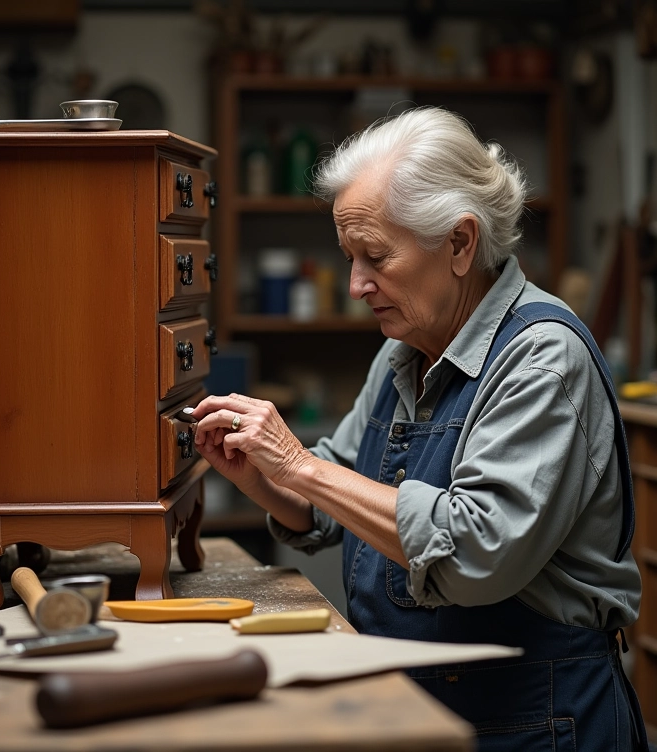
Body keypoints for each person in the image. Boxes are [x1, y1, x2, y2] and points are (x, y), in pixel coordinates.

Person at [190, 106, 648, 751]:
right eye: (349, 257)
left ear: (459, 244)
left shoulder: (542, 358)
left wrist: (298, 465)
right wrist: (260, 472)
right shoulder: (405, 347)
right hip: (420, 699)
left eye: (375, 256)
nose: (355, 285)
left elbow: (476, 552)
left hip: (537, 719)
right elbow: (329, 506)